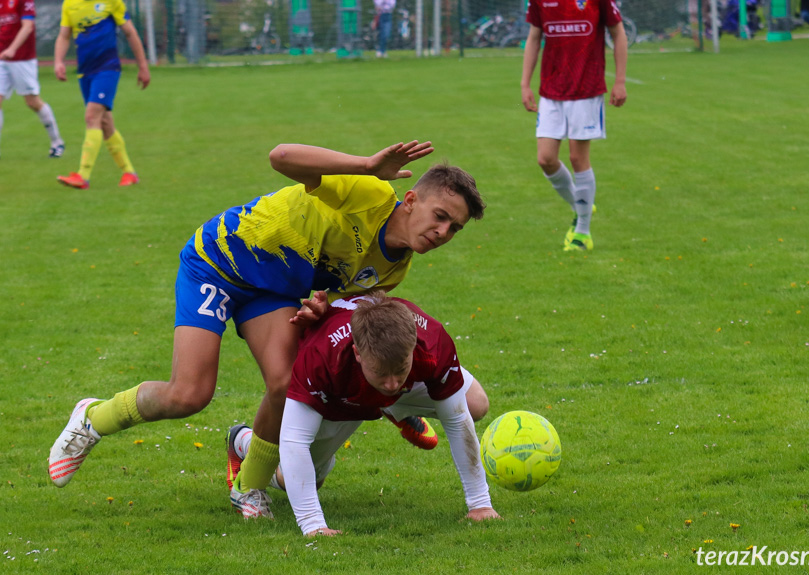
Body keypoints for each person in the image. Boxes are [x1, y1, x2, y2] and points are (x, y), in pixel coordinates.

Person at [48, 140, 486, 520]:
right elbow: (281, 157)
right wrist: (368, 165)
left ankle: (249, 486)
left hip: (273, 293)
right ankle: (92, 418)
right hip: (220, 261)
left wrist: (320, 309)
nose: (443, 232)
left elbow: (337, 309)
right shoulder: (370, 193)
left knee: (284, 382)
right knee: (188, 394)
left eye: (455, 228)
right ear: (410, 200)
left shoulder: (393, 269)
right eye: (440, 215)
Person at [226, 291, 500, 531]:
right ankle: (243, 441)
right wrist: (313, 525)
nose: (393, 383)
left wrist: (480, 504)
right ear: (357, 353)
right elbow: (294, 442)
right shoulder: (323, 358)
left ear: (414, 347)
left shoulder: (432, 341)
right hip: (339, 396)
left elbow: (456, 419)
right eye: (382, 373)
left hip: (381, 379)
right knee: (294, 478)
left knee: (474, 403)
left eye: (400, 370)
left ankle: (392, 404)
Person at [521, 0, 628, 252]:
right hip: (551, 90)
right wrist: (525, 84)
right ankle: (581, 205)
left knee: (578, 158)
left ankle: (582, 231)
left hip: (587, 89)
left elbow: (618, 32)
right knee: (545, 158)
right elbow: (534, 37)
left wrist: (620, 80)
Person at [53, 0, 150, 190]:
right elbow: (64, 36)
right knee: (105, 123)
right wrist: (58, 61)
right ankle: (129, 172)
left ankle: (83, 175)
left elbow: (130, 32)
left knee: (92, 116)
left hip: (108, 68)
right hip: (85, 72)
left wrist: (143, 66)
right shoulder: (69, 4)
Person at [0, 0, 65, 159]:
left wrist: (12, 49)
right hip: (2, 59)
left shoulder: (24, 1)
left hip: (22, 59)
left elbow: (28, 26)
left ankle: (57, 142)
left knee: (32, 101)